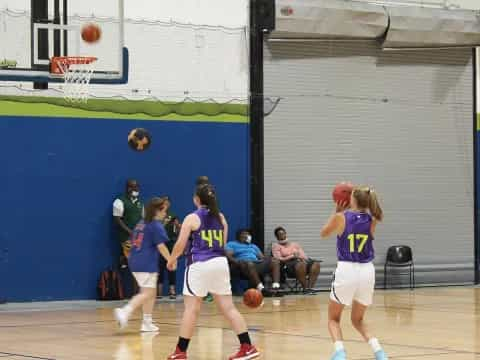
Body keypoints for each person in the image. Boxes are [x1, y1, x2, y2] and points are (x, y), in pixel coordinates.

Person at [166, 184, 259, 360]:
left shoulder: (192, 218)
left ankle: (180, 352)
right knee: (229, 308)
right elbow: (221, 244)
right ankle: (247, 346)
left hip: (199, 265)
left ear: (196, 199)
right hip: (220, 263)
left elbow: (180, 244)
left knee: (191, 309)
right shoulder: (221, 217)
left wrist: (171, 260)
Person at [320, 186, 387, 360]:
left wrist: (335, 212)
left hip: (347, 269)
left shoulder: (340, 217)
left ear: (352, 200)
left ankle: (340, 353)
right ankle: (379, 352)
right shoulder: (373, 220)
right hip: (367, 271)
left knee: (333, 319)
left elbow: (323, 233)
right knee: (358, 320)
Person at [114, 197, 174, 332]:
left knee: (150, 293)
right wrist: (171, 260)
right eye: (164, 210)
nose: (166, 213)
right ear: (157, 211)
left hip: (135, 261)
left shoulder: (141, 223)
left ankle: (147, 322)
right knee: (147, 293)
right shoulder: (156, 226)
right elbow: (162, 247)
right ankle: (125, 311)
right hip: (145, 263)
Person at [226, 228, 282, 296]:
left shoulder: (253, 246)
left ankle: (276, 287)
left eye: (248, 234)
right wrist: (237, 262)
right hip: (242, 266)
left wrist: (265, 260)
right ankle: (261, 288)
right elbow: (228, 256)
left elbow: (262, 257)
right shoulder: (232, 244)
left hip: (256, 264)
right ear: (239, 236)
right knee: (249, 263)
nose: (247, 236)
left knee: (274, 261)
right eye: (244, 234)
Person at [272, 227, 321, 293]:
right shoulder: (276, 246)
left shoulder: (294, 244)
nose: (282, 235)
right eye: (280, 234)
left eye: (283, 233)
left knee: (316, 264)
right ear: (277, 236)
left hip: (301, 261)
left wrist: (303, 258)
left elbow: (303, 254)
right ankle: (305, 288)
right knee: (301, 264)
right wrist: (292, 256)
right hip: (288, 265)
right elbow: (278, 258)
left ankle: (310, 288)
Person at [113, 179, 144, 266]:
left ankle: (124, 260)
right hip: (126, 238)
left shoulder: (140, 203)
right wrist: (130, 231)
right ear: (128, 188)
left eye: (138, 186)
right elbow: (117, 220)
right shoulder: (119, 201)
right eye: (134, 187)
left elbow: (142, 219)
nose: (137, 189)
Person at [158, 196, 181, 299]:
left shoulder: (173, 216)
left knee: (171, 267)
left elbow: (177, 231)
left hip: (170, 244)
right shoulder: (157, 216)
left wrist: (178, 226)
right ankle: (159, 291)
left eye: (167, 202)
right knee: (160, 267)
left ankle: (172, 290)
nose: (166, 203)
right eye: (164, 202)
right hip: (160, 244)